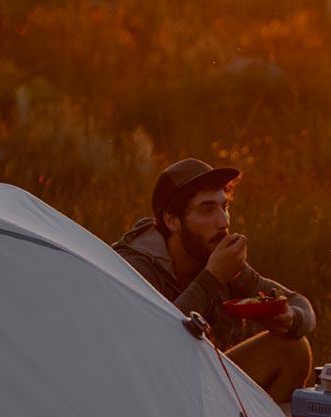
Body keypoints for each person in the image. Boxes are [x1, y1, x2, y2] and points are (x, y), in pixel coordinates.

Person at [114, 158, 316, 403]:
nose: (223, 222)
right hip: (143, 396)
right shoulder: (134, 266)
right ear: (172, 220)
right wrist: (212, 278)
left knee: (293, 350)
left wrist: (290, 318)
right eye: (207, 210)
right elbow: (151, 348)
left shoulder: (209, 253)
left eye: (224, 206)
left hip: (197, 385)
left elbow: (299, 303)